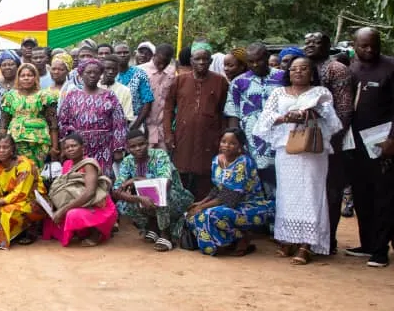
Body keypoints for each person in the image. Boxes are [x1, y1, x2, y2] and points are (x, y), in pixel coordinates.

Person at [252, 56, 341, 264]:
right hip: (287, 150)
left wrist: (312, 112)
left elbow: (332, 120)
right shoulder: (279, 93)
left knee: (311, 194)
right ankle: (289, 239)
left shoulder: (320, 92)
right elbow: (265, 118)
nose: (298, 72)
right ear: (288, 73)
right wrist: (285, 118)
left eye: (303, 68)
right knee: (287, 194)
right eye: (294, 69)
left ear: (311, 72)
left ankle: (306, 244)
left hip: (312, 152)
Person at [344, 28, 394, 267]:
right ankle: (367, 243)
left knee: (383, 196)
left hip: (382, 141)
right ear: (354, 45)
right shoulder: (350, 68)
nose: (370, 50)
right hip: (354, 143)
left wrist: (392, 139)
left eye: (374, 45)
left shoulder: (390, 67)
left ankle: (381, 250)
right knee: (362, 194)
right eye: (364, 46)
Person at [303, 31, 354, 254]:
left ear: (327, 45)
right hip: (305, 141)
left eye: (316, 42)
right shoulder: (303, 67)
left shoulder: (336, 69)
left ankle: (328, 239)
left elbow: (344, 109)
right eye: (307, 42)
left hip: (331, 142)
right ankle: (307, 239)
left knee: (331, 191)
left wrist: (332, 140)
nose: (310, 45)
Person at [185, 128, 274, 256]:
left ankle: (241, 238)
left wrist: (202, 207)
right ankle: (226, 243)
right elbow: (218, 188)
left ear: (240, 146)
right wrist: (200, 203)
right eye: (224, 141)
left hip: (250, 206)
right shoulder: (216, 160)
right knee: (190, 216)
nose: (226, 145)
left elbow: (230, 197)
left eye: (232, 143)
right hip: (227, 204)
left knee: (210, 214)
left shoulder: (244, 162)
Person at [164, 42, 229, 197]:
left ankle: (201, 208)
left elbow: (223, 112)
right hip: (183, 136)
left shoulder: (220, 82)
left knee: (205, 175)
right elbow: (168, 109)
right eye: (197, 59)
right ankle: (182, 208)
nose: (201, 62)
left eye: (205, 59)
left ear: (211, 61)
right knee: (181, 173)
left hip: (209, 137)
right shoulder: (179, 81)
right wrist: (168, 134)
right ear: (191, 61)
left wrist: (221, 138)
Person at [112, 129, 194, 251]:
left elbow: (165, 184)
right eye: (133, 146)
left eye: (141, 144)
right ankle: (153, 226)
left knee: (159, 195)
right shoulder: (127, 161)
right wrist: (138, 198)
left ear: (147, 143)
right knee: (123, 205)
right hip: (147, 198)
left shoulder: (160, 155)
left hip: (175, 197)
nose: (138, 148)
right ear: (128, 148)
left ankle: (166, 234)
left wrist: (136, 179)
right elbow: (116, 190)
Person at [225, 42, 284, 193]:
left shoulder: (283, 77)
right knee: (255, 183)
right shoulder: (238, 82)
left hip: (280, 139)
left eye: (259, 60)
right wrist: (236, 142)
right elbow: (233, 113)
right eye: (251, 61)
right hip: (251, 142)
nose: (255, 64)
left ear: (267, 57)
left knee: (281, 183)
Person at [42, 133, 118, 247]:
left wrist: (63, 210)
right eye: (67, 148)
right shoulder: (67, 164)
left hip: (97, 205)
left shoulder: (89, 164)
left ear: (83, 147)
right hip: (78, 201)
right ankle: (81, 231)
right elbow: (66, 188)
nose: (70, 149)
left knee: (71, 214)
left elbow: (90, 193)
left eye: (74, 146)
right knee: (51, 219)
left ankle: (96, 232)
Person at [0, 133, 47, 249]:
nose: (1, 151)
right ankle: (12, 234)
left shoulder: (24, 164)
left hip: (32, 201)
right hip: (9, 199)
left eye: (5, 147)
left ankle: (30, 229)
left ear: (12, 149)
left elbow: (20, 194)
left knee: (5, 212)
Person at [56, 58, 127, 172]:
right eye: (88, 72)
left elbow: (119, 123)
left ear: (100, 75)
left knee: (102, 177)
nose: (92, 75)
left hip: (104, 146)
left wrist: (118, 148)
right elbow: (62, 122)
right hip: (78, 147)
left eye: (96, 72)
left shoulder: (109, 96)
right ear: (81, 75)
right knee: (80, 177)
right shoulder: (72, 96)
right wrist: (66, 145)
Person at [0, 63, 58, 167]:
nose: (26, 78)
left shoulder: (45, 96)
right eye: (23, 75)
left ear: (35, 77)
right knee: (18, 170)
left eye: (30, 75)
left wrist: (55, 147)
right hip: (15, 141)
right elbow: (4, 124)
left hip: (39, 142)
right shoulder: (10, 97)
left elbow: (53, 124)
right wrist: (2, 144)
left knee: (35, 171)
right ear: (18, 78)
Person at [138, 44, 176, 147]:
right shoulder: (140, 71)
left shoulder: (172, 72)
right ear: (154, 55)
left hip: (163, 129)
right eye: (160, 61)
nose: (162, 66)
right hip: (144, 128)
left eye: (166, 63)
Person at [113, 43, 153, 131]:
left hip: (135, 122)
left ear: (130, 54)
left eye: (125, 52)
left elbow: (147, 102)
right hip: (112, 124)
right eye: (119, 53)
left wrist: (135, 126)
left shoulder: (139, 73)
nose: (122, 55)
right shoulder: (109, 74)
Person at [99, 56, 135, 123]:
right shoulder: (94, 86)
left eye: (114, 69)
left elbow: (128, 118)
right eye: (107, 68)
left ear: (118, 71)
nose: (111, 72)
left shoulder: (125, 91)